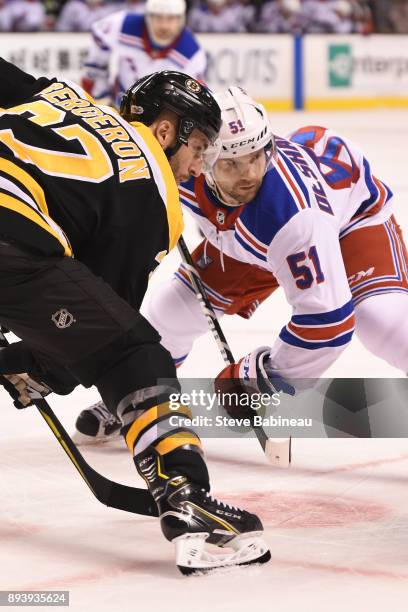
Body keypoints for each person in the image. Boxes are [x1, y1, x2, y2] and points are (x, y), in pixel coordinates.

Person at [0, 60, 270, 574]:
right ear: (166, 130)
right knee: (137, 352)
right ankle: (184, 491)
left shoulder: (62, 98)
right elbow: (106, 332)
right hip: (11, 237)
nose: (198, 169)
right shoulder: (155, 192)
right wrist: (38, 368)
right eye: (198, 150)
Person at [74, 86, 408, 439]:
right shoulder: (187, 166)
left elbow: (328, 324)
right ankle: (140, 396)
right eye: (232, 163)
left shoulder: (292, 216)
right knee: (169, 314)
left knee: (381, 320)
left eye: (256, 156)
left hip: (350, 223)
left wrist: (263, 380)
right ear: (203, 159)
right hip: (248, 240)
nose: (249, 173)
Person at [81, 0, 206, 108]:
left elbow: (196, 97)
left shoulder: (191, 54)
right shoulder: (125, 24)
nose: (164, 26)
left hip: (157, 119)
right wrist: (100, 92)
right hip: (116, 104)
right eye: (158, 17)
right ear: (148, 17)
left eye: (171, 18)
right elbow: (99, 36)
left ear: (181, 19)